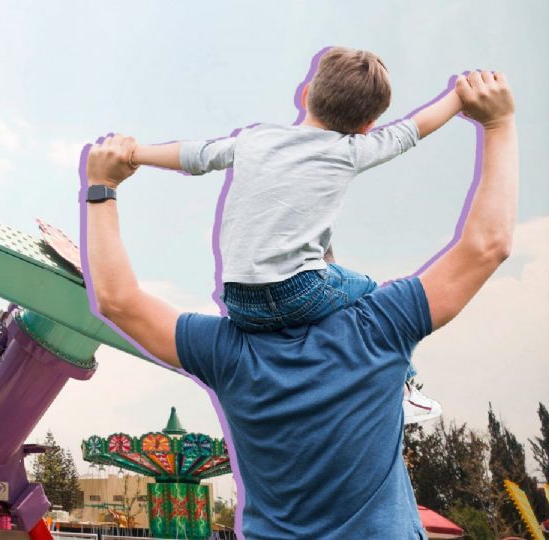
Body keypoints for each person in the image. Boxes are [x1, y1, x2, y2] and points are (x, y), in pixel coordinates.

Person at [82, 71, 515, 538]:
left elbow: (118, 300)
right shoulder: (379, 326)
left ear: (307, 95)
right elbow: (486, 244)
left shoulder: (227, 352)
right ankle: (410, 389)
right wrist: (499, 124)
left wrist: (102, 187)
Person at [126, 48, 462, 423]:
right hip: (298, 293)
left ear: (305, 95)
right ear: (368, 124)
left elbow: (196, 155)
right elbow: (412, 130)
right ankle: (405, 389)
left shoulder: (255, 139)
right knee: (368, 289)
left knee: (327, 258)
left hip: (238, 300)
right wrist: (459, 95)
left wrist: (135, 153)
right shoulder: (351, 150)